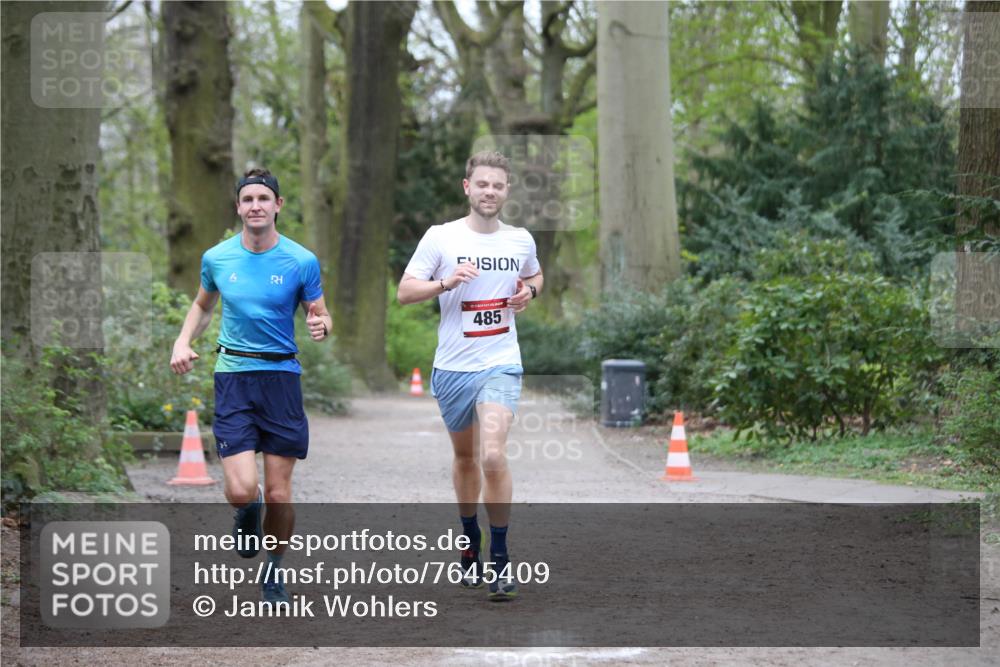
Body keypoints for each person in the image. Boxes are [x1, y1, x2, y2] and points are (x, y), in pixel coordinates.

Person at [170, 167, 332, 605]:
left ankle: (274, 570)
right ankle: (247, 507)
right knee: (242, 489)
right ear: (238, 207)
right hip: (233, 378)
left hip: (281, 380)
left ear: (278, 205)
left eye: (263, 198)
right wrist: (183, 341)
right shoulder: (217, 258)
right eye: (248, 199)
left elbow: (319, 312)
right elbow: (203, 306)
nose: (255, 206)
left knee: (280, 493)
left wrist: (322, 325)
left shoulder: (301, 260)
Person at [397, 151, 543, 601]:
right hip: (452, 368)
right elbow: (405, 292)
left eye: (497, 185)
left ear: (507, 191)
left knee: (493, 456)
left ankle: (500, 558)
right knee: (465, 459)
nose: (489, 192)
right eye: (482, 184)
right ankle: (468, 538)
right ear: (467, 187)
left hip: (500, 363)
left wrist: (529, 292)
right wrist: (446, 282)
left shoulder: (519, 240)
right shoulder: (441, 237)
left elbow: (536, 276)